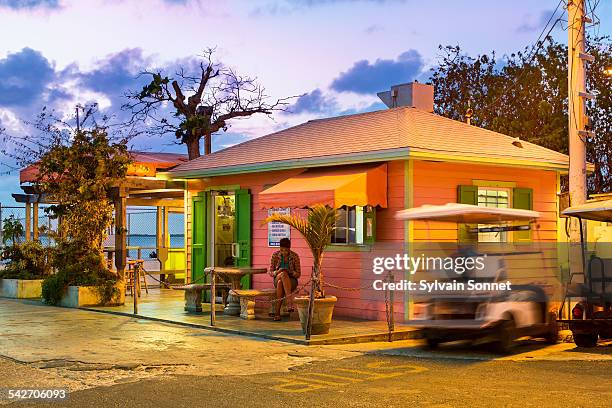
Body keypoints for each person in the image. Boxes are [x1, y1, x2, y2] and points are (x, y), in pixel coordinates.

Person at [269, 238, 301, 321]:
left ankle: (277, 313)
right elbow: (271, 272)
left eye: (286, 250)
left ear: (289, 249)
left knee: (281, 283)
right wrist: (278, 271)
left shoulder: (294, 256)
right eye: (282, 250)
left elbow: (298, 274)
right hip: (278, 277)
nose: (284, 252)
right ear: (280, 248)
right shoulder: (275, 255)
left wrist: (290, 272)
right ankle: (289, 302)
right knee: (282, 274)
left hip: (291, 281)